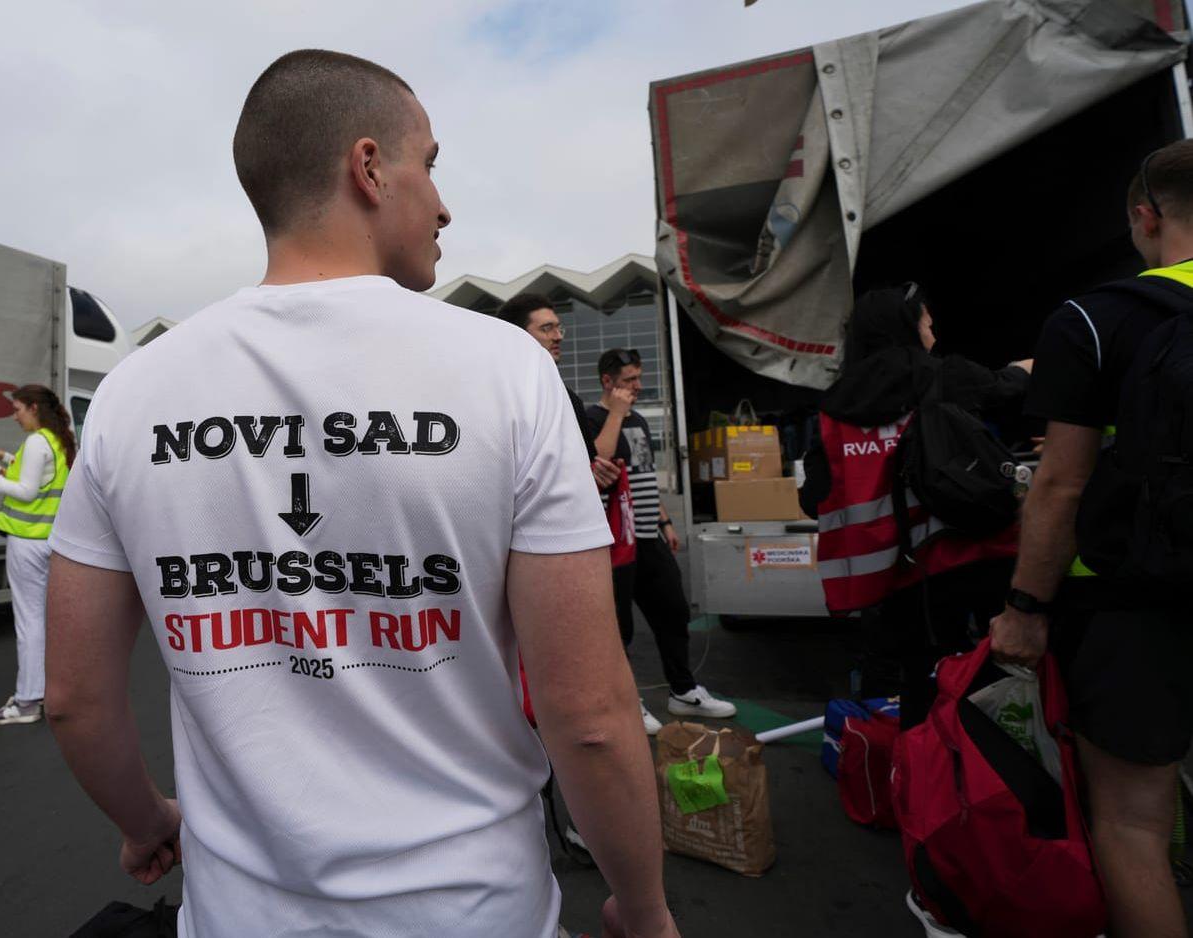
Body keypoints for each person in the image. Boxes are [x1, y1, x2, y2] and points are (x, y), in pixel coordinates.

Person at [43, 50, 679, 938]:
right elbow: (592, 716)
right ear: (371, 168)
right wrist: (642, 906)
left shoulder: (132, 397)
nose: (445, 203)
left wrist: (145, 821)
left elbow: (73, 694)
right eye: (431, 164)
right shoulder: (506, 374)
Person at [990, 142, 1193, 937]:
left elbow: (1060, 486)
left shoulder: (1094, 320)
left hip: (1133, 606)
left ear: (1145, 216)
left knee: (1134, 827)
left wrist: (1024, 609)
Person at [799, 284, 1031, 728]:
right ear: (906, 326)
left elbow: (813, 499)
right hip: (974, 562)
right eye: (927, 323)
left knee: (917, 691)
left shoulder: (833, 408)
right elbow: (1004, 389)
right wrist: (1025, 368)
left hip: (895, 578)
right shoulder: (943, 377)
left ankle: (922, 783)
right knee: (993, 683)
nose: (933, 334)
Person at [586, 348, 737, 732]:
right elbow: (596, 461)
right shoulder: (592, 418)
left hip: (649, 534)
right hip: (615, 541)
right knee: (619, 626)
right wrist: (616, 414)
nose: (638, 386)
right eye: (630, 379)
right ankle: (626, 701)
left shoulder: (639, 419)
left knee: (672, 610)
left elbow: (645, 475)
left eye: (639, 378)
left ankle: (683, 690)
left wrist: (666, 522)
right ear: (608, 381)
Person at [0, 384, 75, 726]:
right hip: (50, 541)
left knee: (29, 623)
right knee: (47, 621)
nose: (13, 415)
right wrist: (1, 456)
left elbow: (27, 490)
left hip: (27, 541)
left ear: (33, 407)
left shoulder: (36, 442)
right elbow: (34, 473)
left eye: (17, 409)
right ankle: (47, 691)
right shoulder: (57, 440)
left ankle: (28, 701)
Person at [496, 292, 619, 487]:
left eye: (559, 328)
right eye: (547, 329)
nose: (558, 336)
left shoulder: (568, 399)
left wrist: (591, 476)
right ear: (517, 335)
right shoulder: (496, 397)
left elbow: (583, 467)